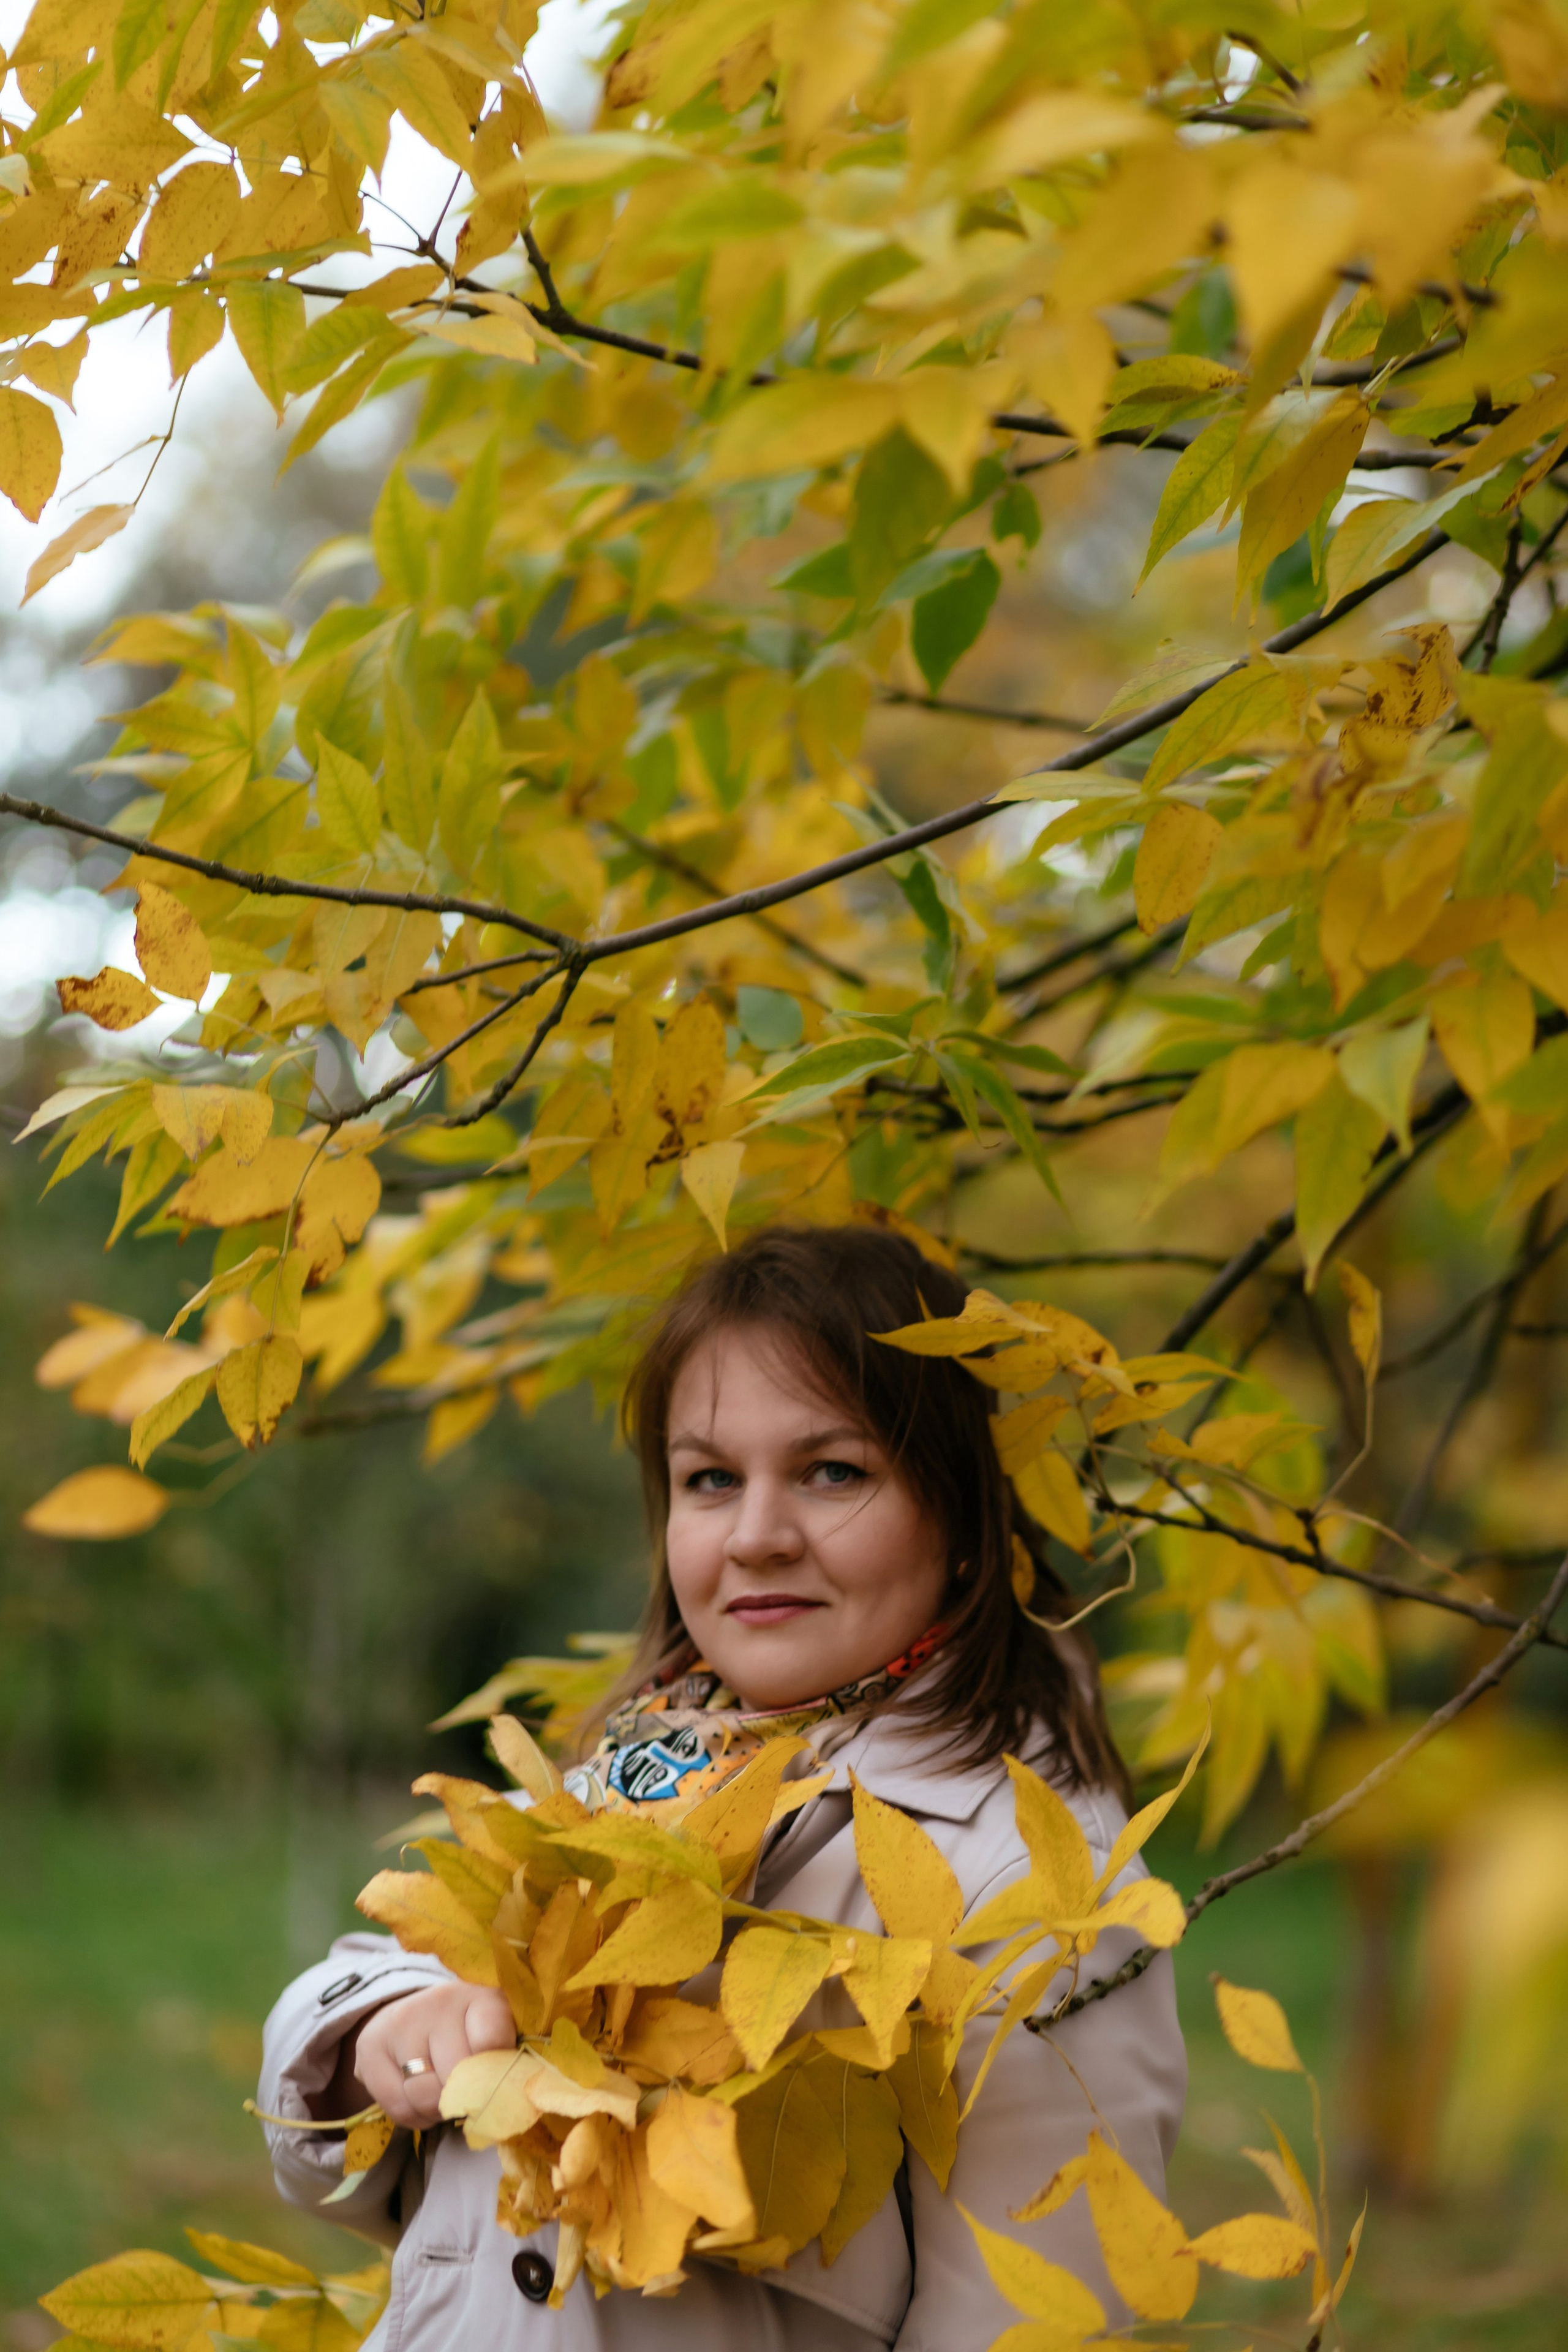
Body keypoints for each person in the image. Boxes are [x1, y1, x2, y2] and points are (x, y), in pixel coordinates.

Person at [259, 1223, 1186, 2350]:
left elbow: (1031, 2321)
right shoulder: (625, 1772)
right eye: (709, 1479)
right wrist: (388, 2035)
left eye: (831, 1471)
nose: (755, 1536)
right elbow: (338, 2144)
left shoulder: (1031, 1885)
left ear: (957, 1515)